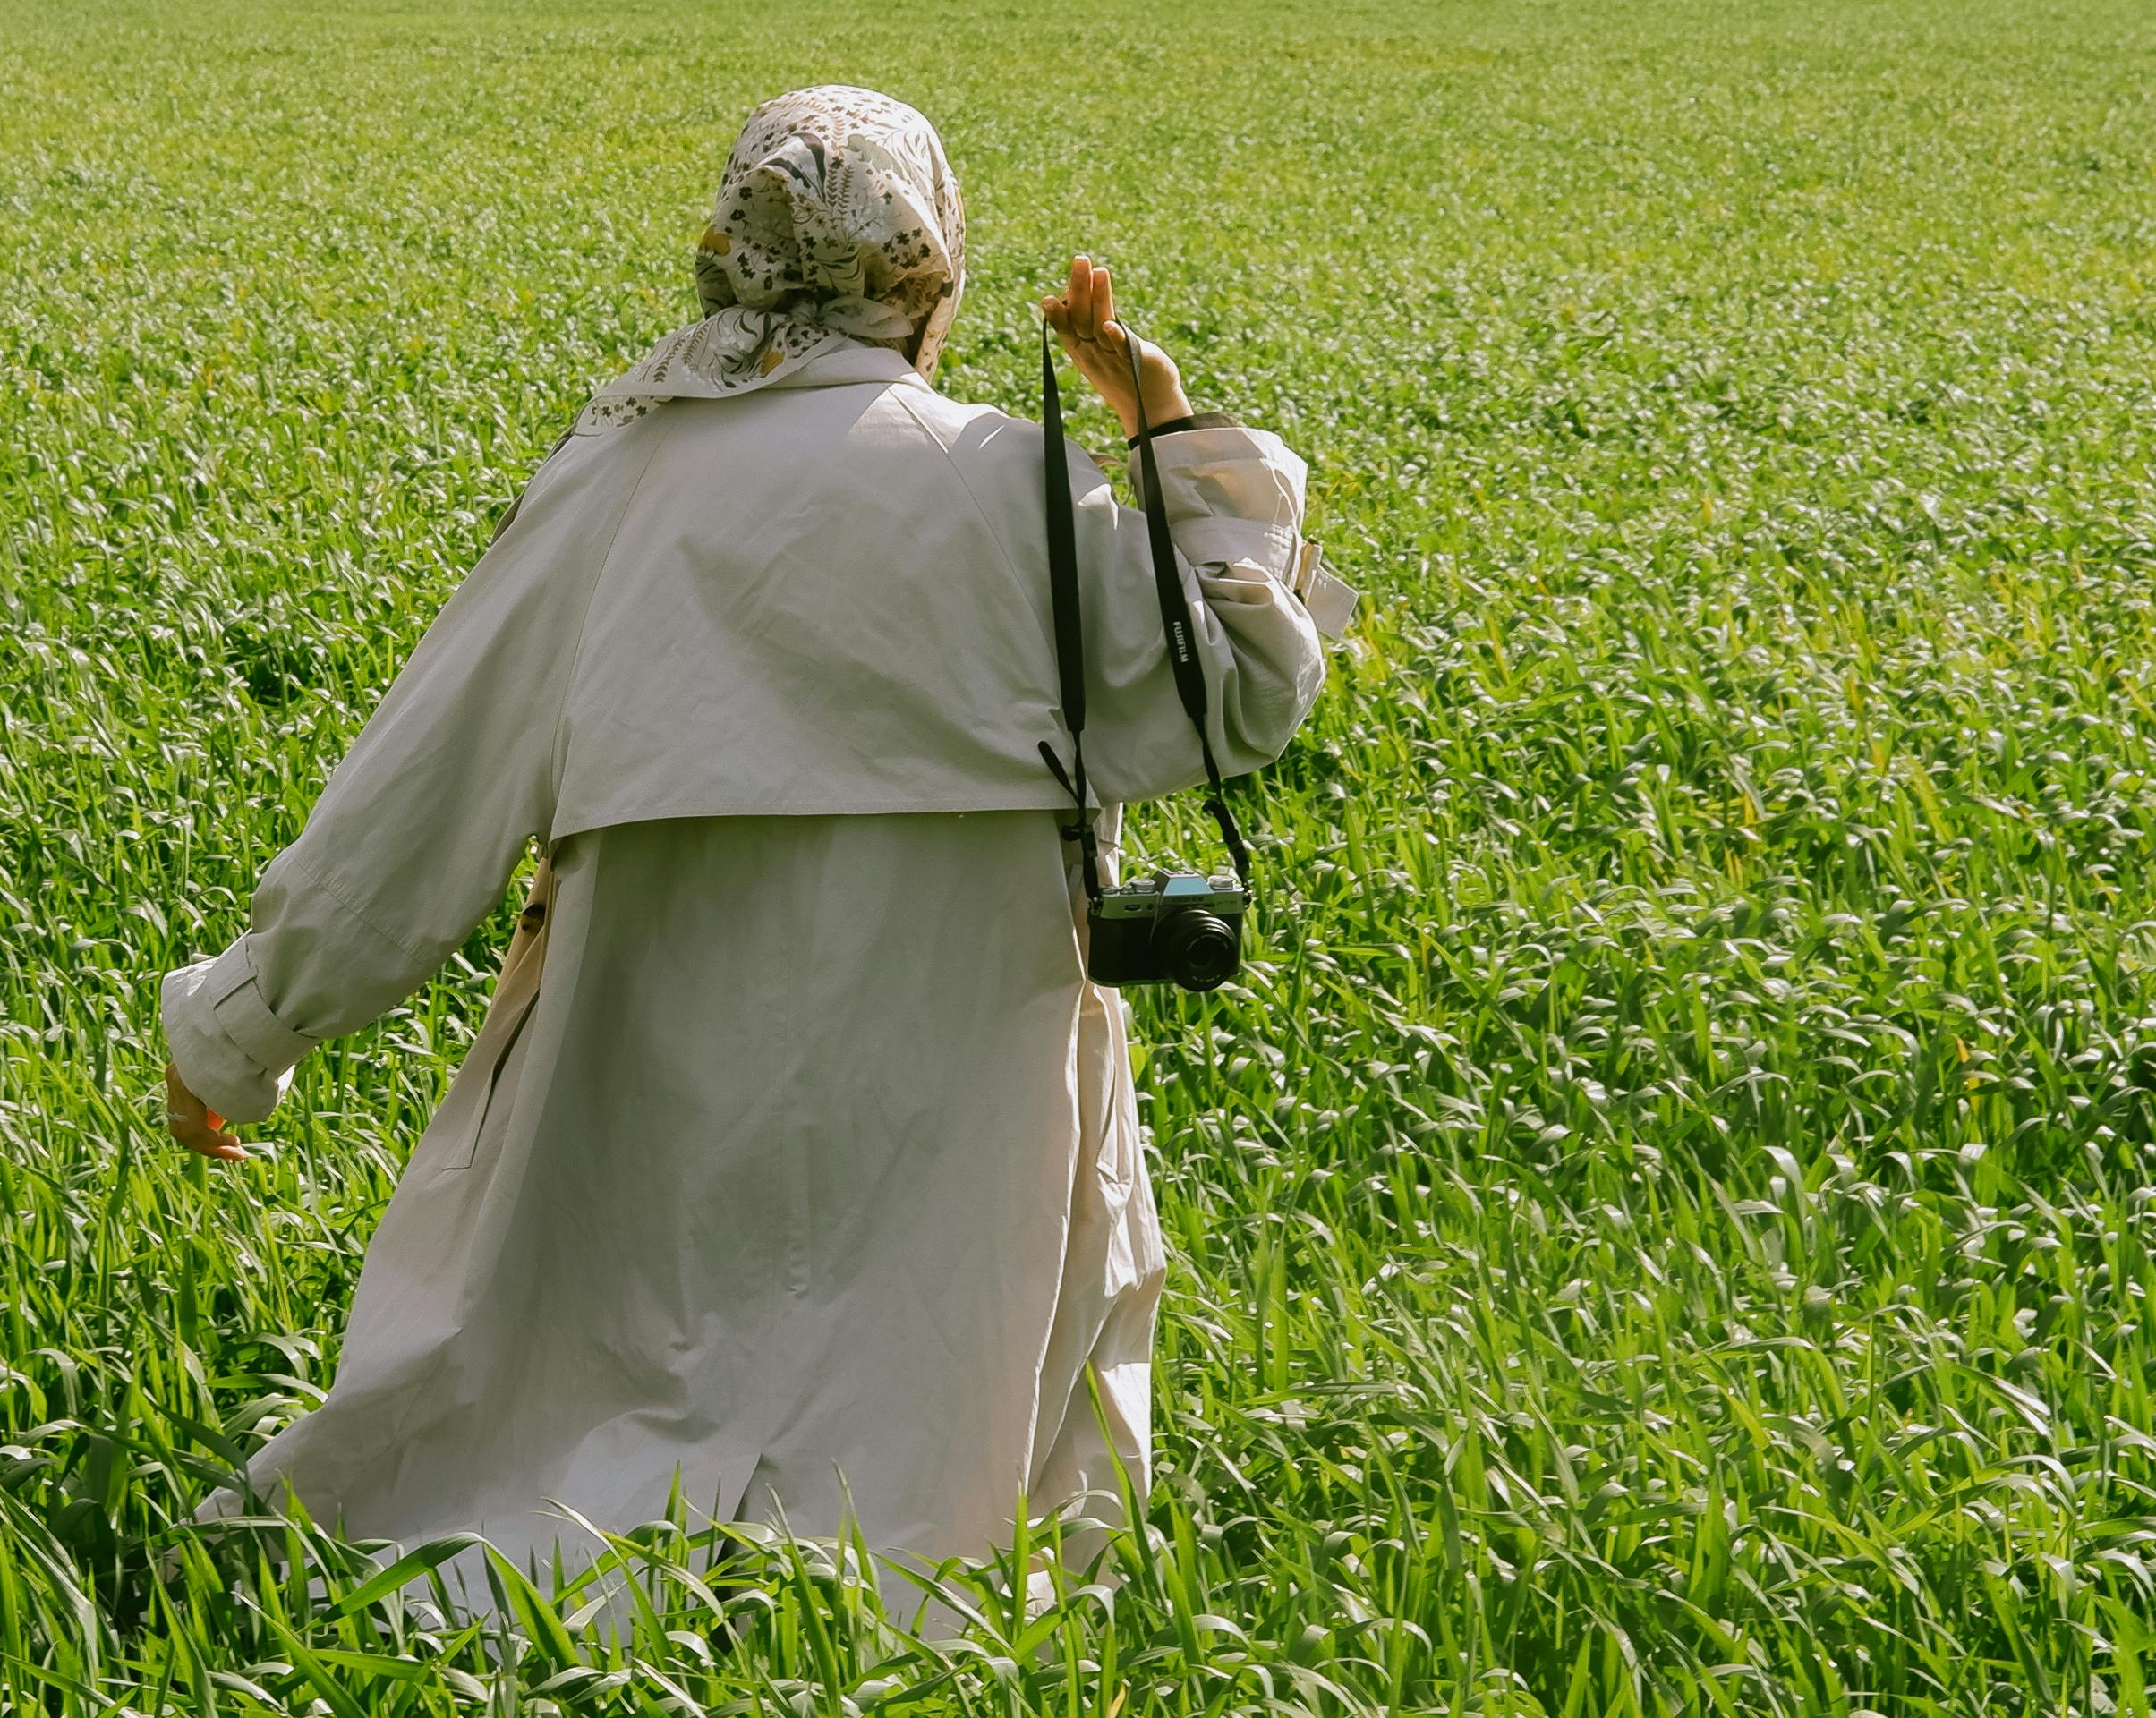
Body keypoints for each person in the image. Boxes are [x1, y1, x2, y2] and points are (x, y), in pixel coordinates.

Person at [148, 86, 1351, 1613]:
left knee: (588, 1434)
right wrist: (1169, 432)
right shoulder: (1006, 479)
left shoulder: (629, 477)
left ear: (735, 250)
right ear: (928, 259)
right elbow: (1244, 684)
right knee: (925, 1489)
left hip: (658, 1058)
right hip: (962, 1075)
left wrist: (246, 1025)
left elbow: (424, 786)